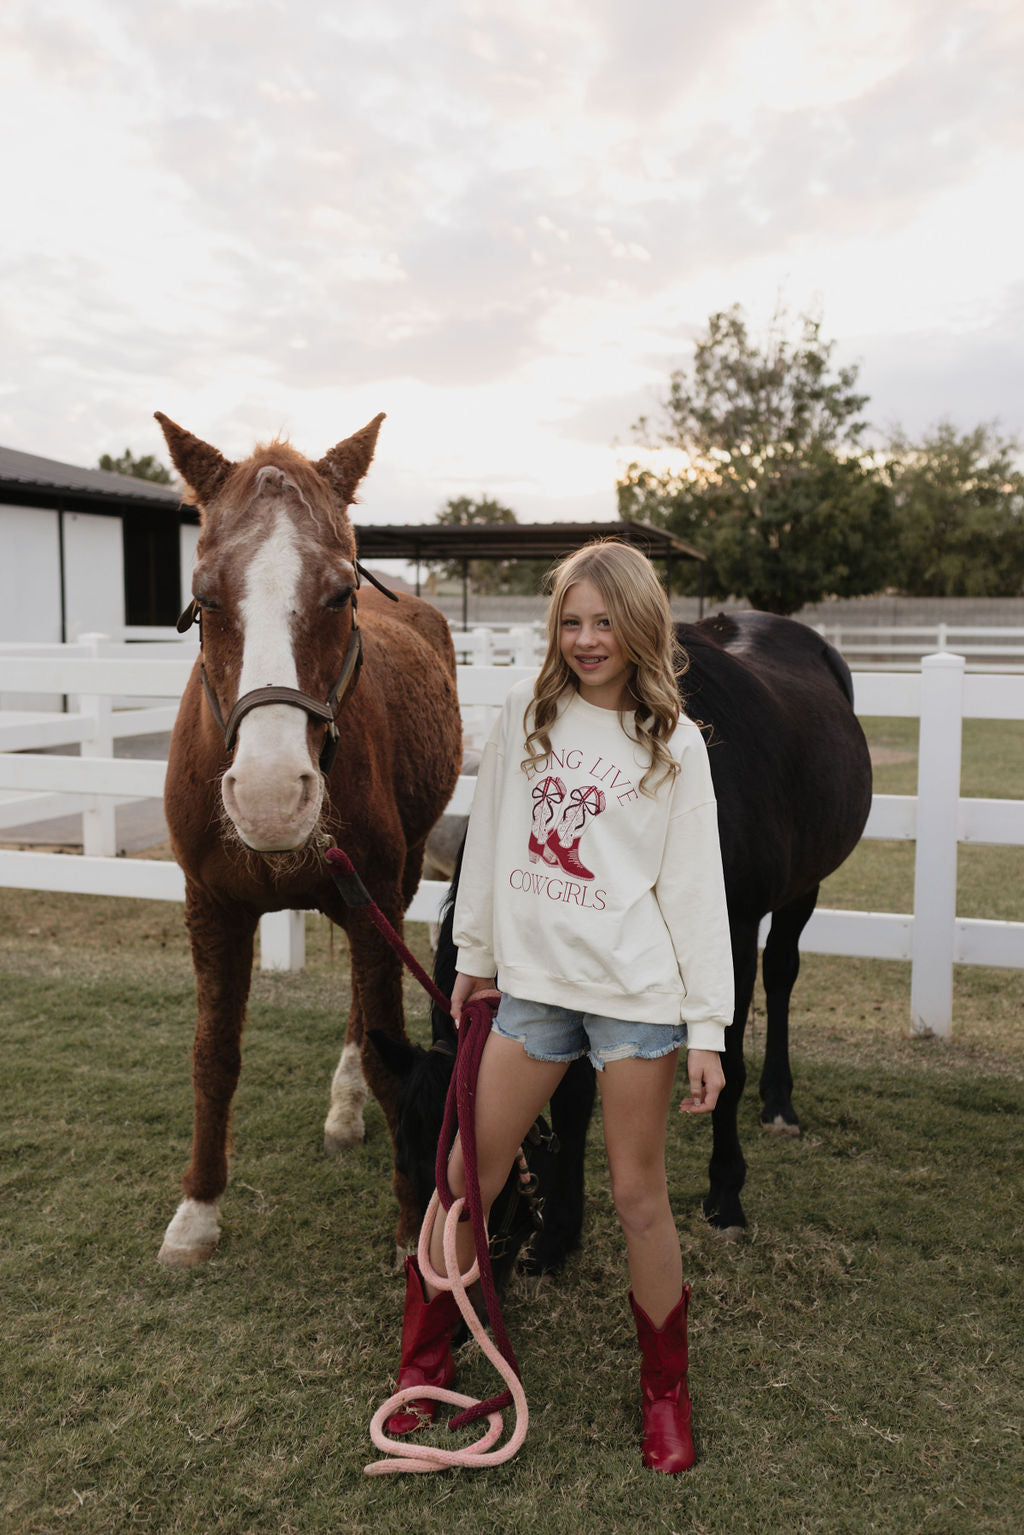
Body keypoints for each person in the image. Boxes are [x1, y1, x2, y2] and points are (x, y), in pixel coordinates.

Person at [386, 539, 733, 1474]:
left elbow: (696, 892)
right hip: (534, 991)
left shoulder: (674, 745)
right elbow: (494, 840)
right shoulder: (527, 715)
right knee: (466, 1173)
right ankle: (425, 1362)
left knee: (636, 1194)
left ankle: (666, 1394)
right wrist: (475, 956)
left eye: (604, 622)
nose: (586, 639)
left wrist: (708, 1028)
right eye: (571, 622)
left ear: (640, 625)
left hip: (636, 998)